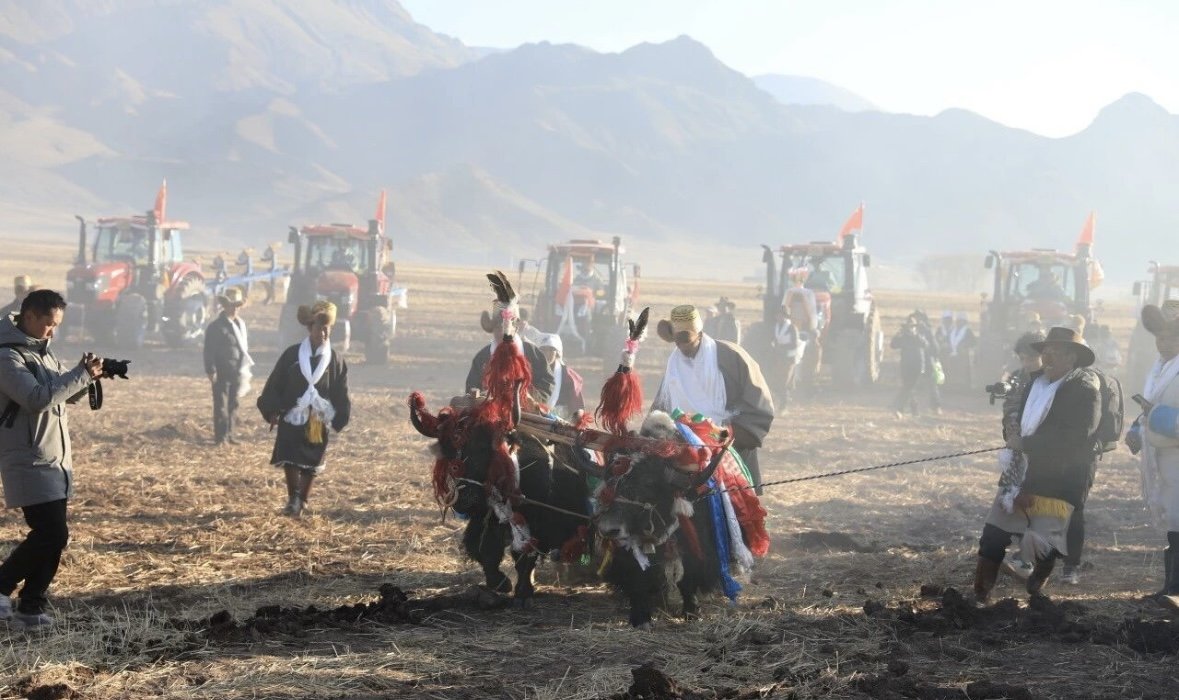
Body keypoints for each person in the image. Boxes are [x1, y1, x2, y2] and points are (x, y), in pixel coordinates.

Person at [972, 326, 1101, 604]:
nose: (1048, 357)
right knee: (993, 534)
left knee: (1042, 544)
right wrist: (1013, 434)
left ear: (1073, 357)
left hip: (1057, 479)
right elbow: (1015, 415)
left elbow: (1077, 435)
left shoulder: (1084, 389)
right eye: (1046, 351)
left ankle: (1039, 577)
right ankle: (981, 596)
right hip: (1019, 474)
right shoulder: (1034, 383)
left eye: (1057, 352)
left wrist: (1028, 444)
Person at [0, 290, 103, 628]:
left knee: (55, 535)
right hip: (28, 458)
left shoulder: (41, 353)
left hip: (55, 460)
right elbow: (35, 399)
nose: (52, 332)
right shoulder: (8, 357)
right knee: (51, 533)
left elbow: (62, 394)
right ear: (28, 316)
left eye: (56, 325)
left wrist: (90, 374)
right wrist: (80, 376)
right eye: (48, 324)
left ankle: (31, 607)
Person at [651, 305, 775, 494]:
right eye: (678, 342)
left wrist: (724, 433)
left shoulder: (731, 357)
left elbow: (758, 405)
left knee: (737, 516)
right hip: (685, 457)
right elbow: (661, 408)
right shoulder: (673, 367)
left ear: (699, 334)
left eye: (687, 341)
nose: (682, 347)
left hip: (730, 450)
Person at [257, 301, 351, 517]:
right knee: (289, 455)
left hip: (318, 418)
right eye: (320, 328)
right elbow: (276, 383)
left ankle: (303, 500)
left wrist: (339, 417)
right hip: (293, 413)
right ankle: (293, 499)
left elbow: (340, 391)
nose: (324, 332)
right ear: (310, 329)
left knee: (312, 459)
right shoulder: (292, 355)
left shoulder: (335, 361)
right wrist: (272, 410)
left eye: (328, 328)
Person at [1126, 301, 1179, 608]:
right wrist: (1136, 428)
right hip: (1163, 458)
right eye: (1160, 337)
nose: (1164, 343)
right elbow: (1148, 404)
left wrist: (1156, 417)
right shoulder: (1158, 367)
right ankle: (1169, 586)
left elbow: (1156, 409)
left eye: (1172, 338)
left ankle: (1175, 588)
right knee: (1173, 523)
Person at [993, 330, 1046, 581]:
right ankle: (1017, 554)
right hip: (1017, 453)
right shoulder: (1017, 377)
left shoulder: (1052, 380)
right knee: (1012, 500)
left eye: (1030, 358)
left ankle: (1028, 560)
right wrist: (1011, 430)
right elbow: (1010, 408)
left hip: (1042, 454)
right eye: (1022, 358)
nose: (1026, 363)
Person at [466, 297, 554, 405]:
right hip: (488, 410)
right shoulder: (483, 357)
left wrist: (530, 397)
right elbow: (472, 386)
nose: (502, 333)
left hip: (526, 410)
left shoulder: (533, 353)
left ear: (516, 328)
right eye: (498, 328)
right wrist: (480, 396)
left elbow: (547, 383)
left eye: (506, 328)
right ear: (493, 330)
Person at [203, 287, 254, 446]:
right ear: (225, 306)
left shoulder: (240, 325)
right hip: (221, 371)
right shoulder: (216, 327)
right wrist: (211, 370)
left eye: (237, 306)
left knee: (233, 404)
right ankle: (221, 437)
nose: (235, 309)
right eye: (232, 305)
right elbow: (209, 350)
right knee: (221, 405)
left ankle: (230, 434)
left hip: (236, 371)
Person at [890, 318, 934, 418]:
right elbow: (893, 345)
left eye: (912, 327)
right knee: (909, 388)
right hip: (905, 366)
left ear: (915, 328)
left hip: (917, 366)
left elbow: (926, 345)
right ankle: (915, 411)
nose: (910, 329)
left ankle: (899, 408)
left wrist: (916, 335)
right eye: (908, 327)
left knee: (908, 387)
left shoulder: (918, 337)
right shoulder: (903, 337)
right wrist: (898, 334)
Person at [536, 333, 585, 420]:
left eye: (551, 350)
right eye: (543, 349)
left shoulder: (568, 375)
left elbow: (577, 407)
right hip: (534, 417)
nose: (546, 353)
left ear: (557, 353)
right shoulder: (531, 371)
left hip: (560, 423)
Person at [770, 305, 804, 411]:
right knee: (776, 380)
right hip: (778, 357)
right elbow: (775, 340)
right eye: (778, 315)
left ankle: (783, 405)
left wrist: (782, 348)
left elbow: (794, 344)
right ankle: (781, 401)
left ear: (785, 316)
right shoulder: (776, 327)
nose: (779, 317)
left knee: (784, 382)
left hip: (789, 358)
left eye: (781, 315)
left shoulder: (792, 328)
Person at [946, 313, 978, 389]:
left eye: (961, 321)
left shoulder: (968, 331)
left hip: (963, 355)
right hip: (952, 355)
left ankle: (964, 386)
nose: (959, 322)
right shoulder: (952, 331)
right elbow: (947, 340)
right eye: (958, 321)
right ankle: (952, 385)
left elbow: (973, 342)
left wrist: (965, 346)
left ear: (964, 322)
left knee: (963, 372)